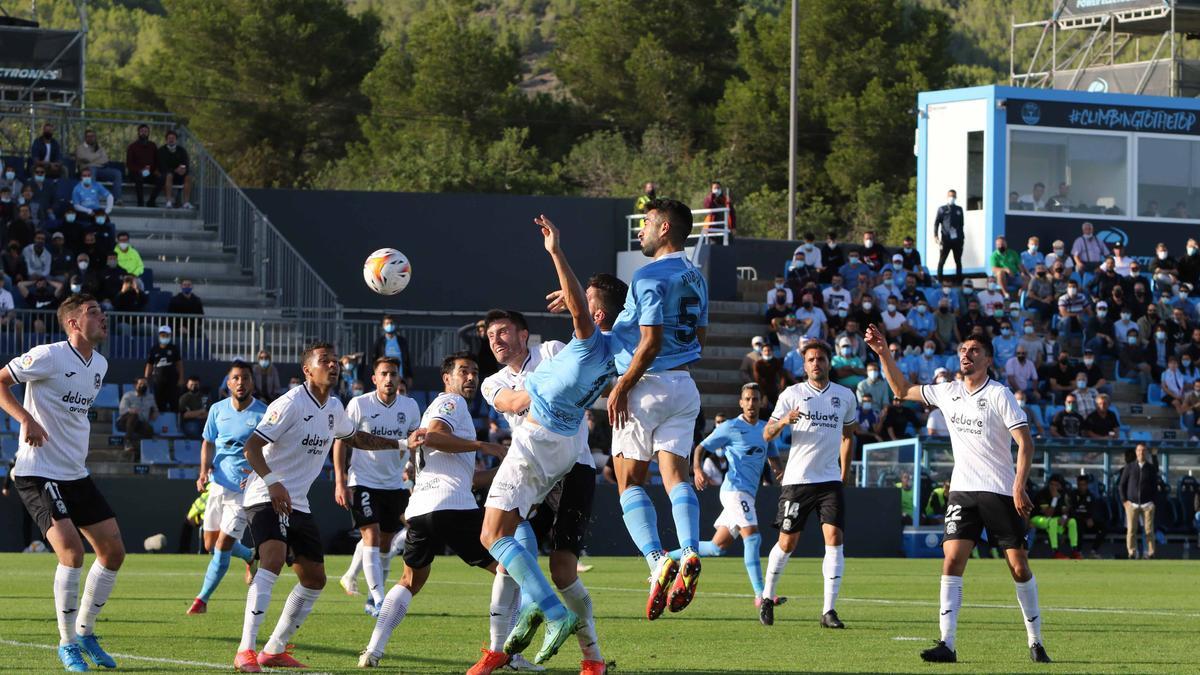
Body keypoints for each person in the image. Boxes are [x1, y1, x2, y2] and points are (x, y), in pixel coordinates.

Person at [475, 217, 619, 673]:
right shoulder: (492, 382)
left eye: (503, 332)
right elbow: (515, 399)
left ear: (524, 335)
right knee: (504, 557)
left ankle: (591, 656)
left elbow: (583, 354)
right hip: (538, 461)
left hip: (571, 466)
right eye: (490, 336)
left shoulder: (556, 350)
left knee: (562, 571)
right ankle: (501, 651)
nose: (496, 341)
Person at [866, 324, 1051, 664]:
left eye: (974, 351)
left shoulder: (999, 394)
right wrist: (883, 353)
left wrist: (1018, 485)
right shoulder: (946, 391)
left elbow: (1026, 442)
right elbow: (902, 389)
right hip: (963, 490)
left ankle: (1036, 641)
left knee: (1019, 567)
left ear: (988, 360)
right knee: (951, 560)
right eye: (963, 350)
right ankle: (947, 644)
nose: (966, 354)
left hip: (999, 491)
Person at [234, 341, 414, 672]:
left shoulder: (333, 406)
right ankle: (246, 650)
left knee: (315, 579)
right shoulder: (289, 403)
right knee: (272, 561)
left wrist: (401, 442)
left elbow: (355, 438)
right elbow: (252, 447)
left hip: (297, 503)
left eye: (335, 361)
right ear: (308, 369)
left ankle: (273, 649)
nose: (333, 365)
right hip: (266, 495)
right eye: (325, 361)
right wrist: (273, 482)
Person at [355, 353, 506, 671]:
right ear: (447, 378)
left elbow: (467, 475)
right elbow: (432, 435)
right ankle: (504, 653)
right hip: (452, 506)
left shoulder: (446, 410)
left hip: (424, 510)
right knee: (510, 569)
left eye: (475, 372)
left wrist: (506, 465)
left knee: (410, 580)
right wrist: (485, 446)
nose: (471, 378)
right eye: (463, 371)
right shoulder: (452, 404)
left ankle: (373, 650)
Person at [0, 295, 123, 671]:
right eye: (94, 312)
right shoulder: (48, 355)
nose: (103, 317)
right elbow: (0, 382)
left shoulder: (99, 364)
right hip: (38, 471)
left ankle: (86, 631)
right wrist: (25, 418)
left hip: (75, 473)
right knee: (71, 553)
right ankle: (67, 643)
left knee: (113, 553)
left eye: (103, 311)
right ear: (72, 323)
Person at [607, 198, 708, 620]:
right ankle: (689, 552)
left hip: (647, 385)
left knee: (628, 481)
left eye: (647, 222)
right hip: (684, 385)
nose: (641, 229)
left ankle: (656, 560)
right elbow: (701, 330)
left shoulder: (648, 274)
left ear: (665, 229)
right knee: (675, 477)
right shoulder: (697, 276)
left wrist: (623, 385)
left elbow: (649, 341)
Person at [760, 341, 856, 629]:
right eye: (811, 359)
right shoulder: (792, 394)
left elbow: (848, 436)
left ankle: (829, 611)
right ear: (804, 366)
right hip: (798, 480)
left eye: (821, 359)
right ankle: (767, 597)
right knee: (787, 543)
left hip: (829, 480)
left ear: (829, 363)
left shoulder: (845, 396)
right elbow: (766, 434)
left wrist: (845, 473)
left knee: (835, 539)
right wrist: (783, 422)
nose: (817, 363)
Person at [333, 357, 420, 618]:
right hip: (363, 481)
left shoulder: (410, 406)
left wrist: (413, 471)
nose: (389, 379)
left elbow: (416, 442)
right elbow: (341, 441)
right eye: (384, 374)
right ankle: (381, 600)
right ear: (374, 378)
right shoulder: (359, 404)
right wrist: (340, 479)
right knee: (369, 536)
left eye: (394, 374)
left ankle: (373, 596)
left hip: (394, 483)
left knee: (385, 544)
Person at [684, 383, 783, 608]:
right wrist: (697, 470)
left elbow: (774, 459)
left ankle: (668, 556)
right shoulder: (731, 427)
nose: (751, 403)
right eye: (747, 399)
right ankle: (761, 594)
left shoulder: (766, 429)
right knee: (753, 537)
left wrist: (783, 476)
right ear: (741, 402)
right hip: (734, 491)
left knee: (717, 547)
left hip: (747, 493)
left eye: (755, 399)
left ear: (761, 402)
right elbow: (701, 447)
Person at [186, 362, 266, 615]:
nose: (241, 382)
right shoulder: (217, 410)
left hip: (244, 492)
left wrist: (255, 473)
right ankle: (251, 556)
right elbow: (208, 441)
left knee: (221, 546)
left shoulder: (264, 413)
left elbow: (271, 450)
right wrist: (203, 471)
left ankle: (202, 600)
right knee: (210, 544)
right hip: (218, 486)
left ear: (252, 382)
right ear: (228, 383)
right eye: (235, 378)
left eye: (245, 378)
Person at [1118, 444, 1158, 560]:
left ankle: (1150, 553)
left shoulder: (1150, 468)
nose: (1141, 453)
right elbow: (1121, 485)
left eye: (1144, 451)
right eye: (1139, 450)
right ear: (1136, 452)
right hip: (1132, 504)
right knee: (1131, 530)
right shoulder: (1129, 467)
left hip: (1147, 505)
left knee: (1149, 530)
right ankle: (1132, 552)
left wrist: (1153, 502)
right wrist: (1124, 501)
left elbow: (1155, 486)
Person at [1031, 475, 1079, 559]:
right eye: (1052, 484)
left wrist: (1064, 518)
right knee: (1052, 522)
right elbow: (1048, 514)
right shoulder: (1042, 494)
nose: (1053, 487)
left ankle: (1074, 551)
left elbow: (1065, 511)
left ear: (1060, 486)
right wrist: (1054, 499)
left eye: (1056, 485)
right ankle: (1055, 552)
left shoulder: (1063, 494)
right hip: (1037, 519)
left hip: (1054, 519)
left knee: (1072, 522)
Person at [75, 129, 123, 204]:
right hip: (87, 170)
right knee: (91, 169)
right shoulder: (80, 148)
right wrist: (98, 156)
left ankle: (117, 199)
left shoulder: (100, 148)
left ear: (95, 137)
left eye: (92, 136)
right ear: (85, 138)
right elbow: (86, 158)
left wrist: (91, 160)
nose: (90, 138)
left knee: (117, 173)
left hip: (101, 170)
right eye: (88, 136)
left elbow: (105, 160)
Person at [145, 325, 184, 413]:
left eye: (166, 335)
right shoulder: (154, 349)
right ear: (159, 336)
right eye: (162, 335)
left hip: (172, 380)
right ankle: (161, 424)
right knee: (159, 402)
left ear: (170, 336)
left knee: (174, 401)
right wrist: (146, 377)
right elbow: (149, 364)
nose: (164, 337)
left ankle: (174, 423)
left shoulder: (173, 349)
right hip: (158, 380)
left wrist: (181, 378)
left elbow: (179, 364)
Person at [370, 315, 415, 391]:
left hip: (400, 377)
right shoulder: (379, 342)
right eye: (387, 323)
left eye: (391, 323)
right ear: (383, 326)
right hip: (385, 378)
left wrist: (409, 376)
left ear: (395, 325)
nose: (389, 325)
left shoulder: (402, 341)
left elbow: (407, 360)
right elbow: (375, 361)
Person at [117, 377, 157, 455]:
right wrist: (130, 410)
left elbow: (155, 409)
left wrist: (155, 412)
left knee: (149, 429)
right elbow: (122, 410)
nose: (143, 386)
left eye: (145, 384)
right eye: (141, 384)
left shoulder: (150, 397)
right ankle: (127, 442)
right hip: (124, 422)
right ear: (135, 385)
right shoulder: (128, 395)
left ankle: (144, 452)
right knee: (133, 416)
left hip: (139, 423)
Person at [1071, 475, 1106, 558]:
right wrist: (1084, 519)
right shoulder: (1073, 495)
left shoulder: (1091, 496)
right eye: (1079, 485)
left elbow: (1093, 511)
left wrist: (1091, 519)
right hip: (1078, 520)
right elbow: (1072, 511)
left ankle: (1093, 551)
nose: (1081, 487)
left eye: (1083, 485)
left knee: (1103, 527)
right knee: (1077, 525)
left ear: (1087, 485)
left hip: (1089, 522)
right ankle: (1078, 551)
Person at [933, 189, 965, 282]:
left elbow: (962, 224)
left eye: (954, 196)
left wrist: (962, 238)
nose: (952, 198)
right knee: (942, 260)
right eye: (950, 196)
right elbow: (936, 223)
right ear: (947, 197)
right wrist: (935, 235)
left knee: (958, 261)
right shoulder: (942, 209)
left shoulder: (959, 209)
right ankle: (939, 280)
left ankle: (959, 280)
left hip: (957, 240)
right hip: (946, 239)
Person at [157, 130, 194, 209]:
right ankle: (168, 202)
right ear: (166, 140)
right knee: (169, 175)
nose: (171, 140)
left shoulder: (182, 150)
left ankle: (186, 203)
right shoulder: (161, 151)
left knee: (188, 177)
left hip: (179, 175)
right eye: (169, 138)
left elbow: (186, 163)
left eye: (173, 138)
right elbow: (162, 166)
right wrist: (174, 170)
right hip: (167, 175)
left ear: (176, 140)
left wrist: (183, 169)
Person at [126, 123, 160, 207]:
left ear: (148, 133)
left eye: (146, 131)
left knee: (161, 178)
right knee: (139, 177)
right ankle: (140, 203)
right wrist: (140, 170)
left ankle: (151, 201)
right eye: (142, 131)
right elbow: (129, 164)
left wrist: (155, 170)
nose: (144, 133)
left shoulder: (153, 145)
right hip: (136, 173)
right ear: (138, 133)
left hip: (150, 173)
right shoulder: (132, 146)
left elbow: (157, 160)